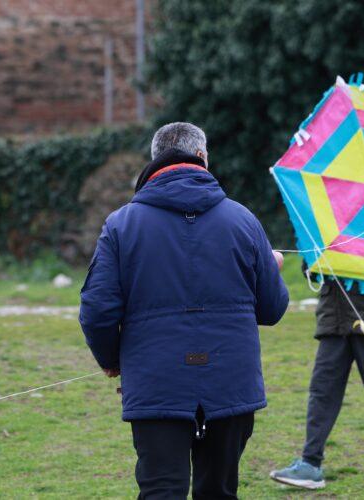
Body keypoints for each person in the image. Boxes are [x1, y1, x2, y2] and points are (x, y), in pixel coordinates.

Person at [79, 122, 290, 500]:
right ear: (203, 157)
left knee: (161, 490)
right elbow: (273, 308)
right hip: (229, 378)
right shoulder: (244, 220)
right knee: (219, 491)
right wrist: (269, 267)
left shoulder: (121, 224)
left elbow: (97, 310)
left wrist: (110, 359)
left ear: (154, 161)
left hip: (157, 379)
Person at [269, 274, 364, 490]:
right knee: (322, 391)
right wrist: (313, 263)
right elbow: (310, 270)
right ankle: (310, 464)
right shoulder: (326, 239)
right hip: (334, 319)